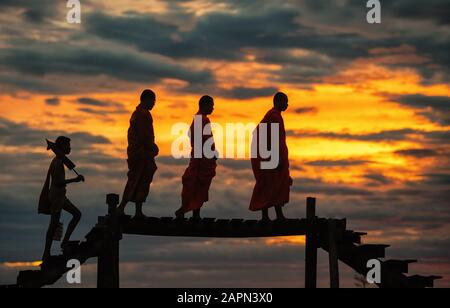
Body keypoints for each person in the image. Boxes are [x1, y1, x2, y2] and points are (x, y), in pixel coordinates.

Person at [249, 92, 293, 221]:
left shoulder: (273, 115)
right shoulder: (274, 116)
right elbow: (274, 139)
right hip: (269, 156)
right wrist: (276, 158)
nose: (287, 105)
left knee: (275, 183)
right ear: (278, 102)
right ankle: (270, 216)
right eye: (285, 102)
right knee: (271, 183)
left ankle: (274, 215)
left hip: (268, 155)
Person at [117, 89, 159, 218]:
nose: (154, 104)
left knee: (140, 180)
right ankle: (122, 208)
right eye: (153, 101)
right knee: (137, 180)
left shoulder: (137, 113)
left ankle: (137, 211)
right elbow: (144, 136)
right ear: (146, 99)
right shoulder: (142, 114)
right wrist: (152, 147)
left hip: (141, 153)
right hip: (141, 153)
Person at [42, 136, 84, 263]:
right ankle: (47, 254)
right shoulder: (58, 162)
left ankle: (64, 243)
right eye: (68, 145)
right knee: (53, 225)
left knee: (76, 214)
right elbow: (58, 182)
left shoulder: (59, 160)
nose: (70, 148)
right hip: (56, 196)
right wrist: (75, 180)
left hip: (60, 195)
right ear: (62, 147)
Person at [175, 96, 218, 220]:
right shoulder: (203, 120)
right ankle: (186, 211)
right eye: (211, 105)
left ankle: (194, 213)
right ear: (204, 105)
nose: (213, 108)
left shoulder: (198, 119)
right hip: (201, 159)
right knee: (197, 185)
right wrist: (211, 152)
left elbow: (192, 135)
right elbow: (206, 140)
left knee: (198, 186)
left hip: (201, 157)